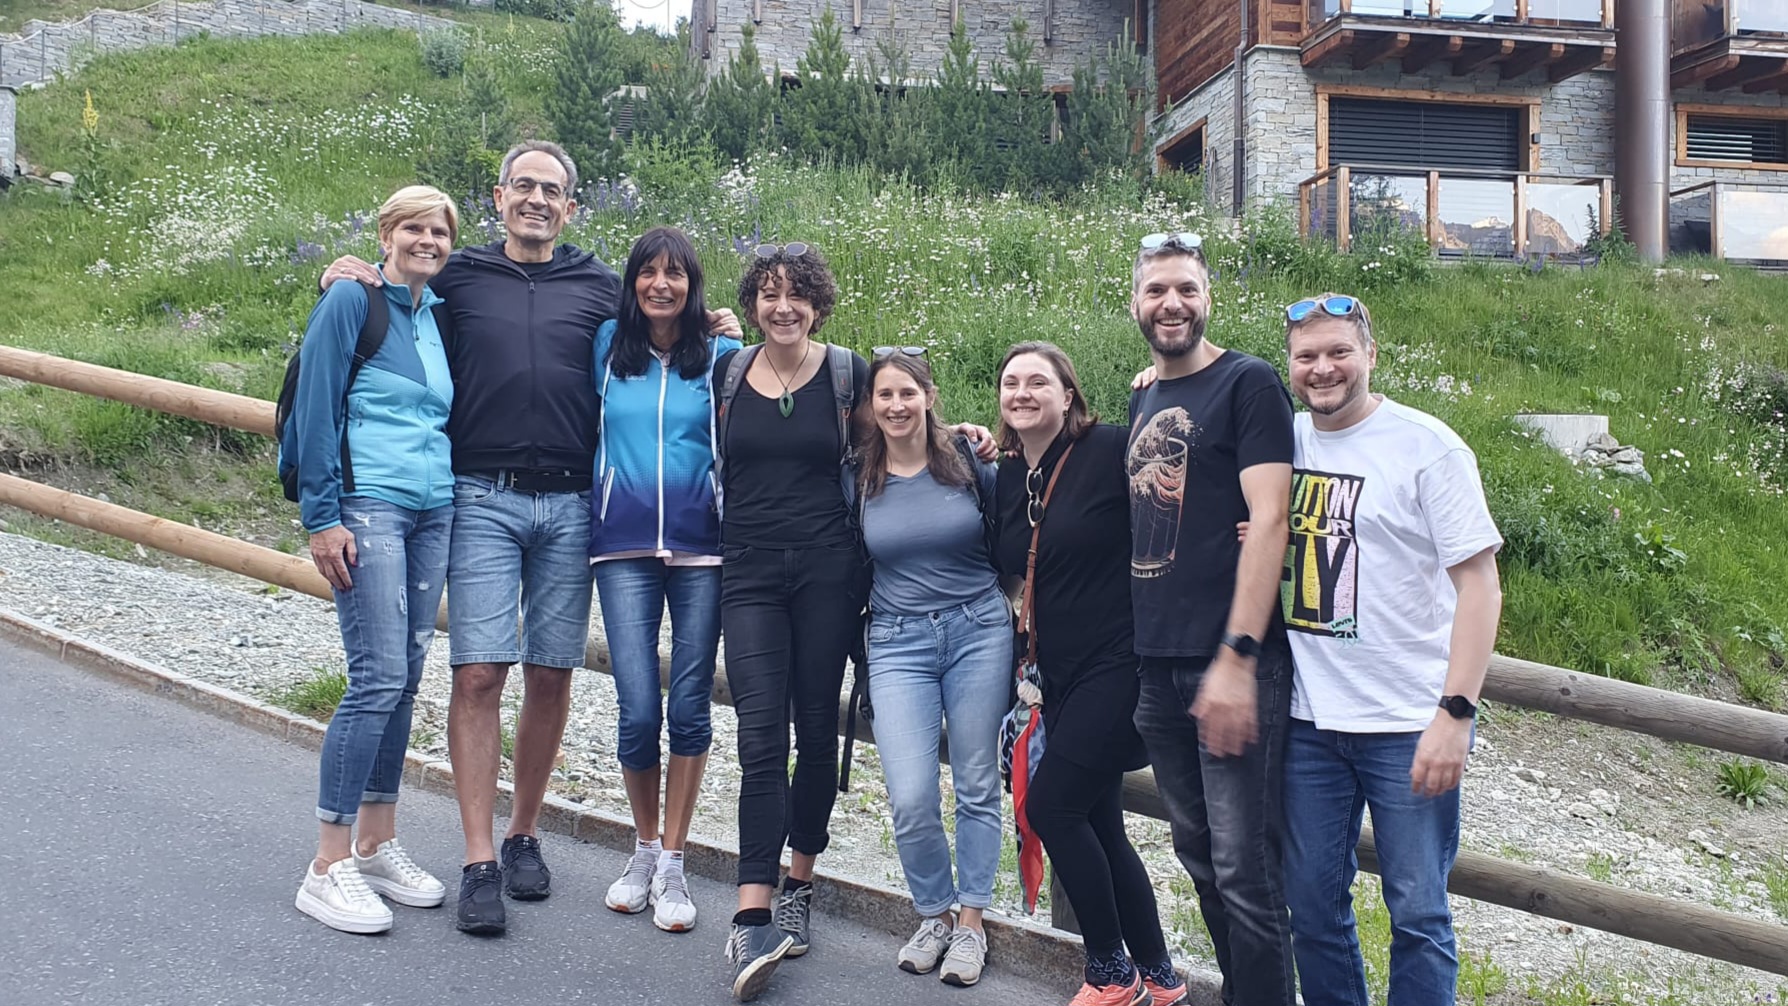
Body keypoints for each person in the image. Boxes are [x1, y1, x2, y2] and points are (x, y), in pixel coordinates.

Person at [319, 141, 740, 936]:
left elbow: (662, 323)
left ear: (571, 207)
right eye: (524, 186)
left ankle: (523, 834)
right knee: (479, 673)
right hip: (481, 495)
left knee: (551, 675)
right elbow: (399, 287)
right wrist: (345, 273)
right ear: (500, 195)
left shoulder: (600, 285)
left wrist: (715, 324)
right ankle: (478, 858)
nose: (537, 200)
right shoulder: (460, 274)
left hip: (574, 504)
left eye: (552, 190)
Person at [1274, 294, 1503, 1005]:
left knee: (1419, 912)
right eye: (1307, 356)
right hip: (1308, 721)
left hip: (1408, 722)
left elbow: (1481, 587)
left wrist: (1455, 714)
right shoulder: (1283, 439)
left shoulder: (1427, 446)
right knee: (1312, 909)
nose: (1323, 369)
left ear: (1371, 355)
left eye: (1339, 352)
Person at [1124, 233, 1298, 1006]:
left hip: (1230, 663)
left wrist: (1236, 658)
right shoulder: (1144, 395)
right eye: (1157, 290)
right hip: (1158, 665)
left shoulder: (1249, 384)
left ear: (1208, 299)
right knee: (1199, 859)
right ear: (1135, 303)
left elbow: (1271, 520)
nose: (1172, 304)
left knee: (1245, 872)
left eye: (1186, 289)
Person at [287, 185, 459, 934]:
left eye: (439, 231)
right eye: (413, 228)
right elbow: (316, 407)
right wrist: (321, 518)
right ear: (385, 234)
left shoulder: (438, 315)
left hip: (433, 507)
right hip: (367, 507)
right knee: (377, 677)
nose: (427, 241)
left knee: (407, 675)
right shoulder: (351, 301)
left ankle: (377, 842)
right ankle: (327, 865)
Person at [994, 342, 1186, 1006]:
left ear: (1068, 395)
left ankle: (1109, 971)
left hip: (1119, 663)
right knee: (1100, 821)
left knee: (1052, 805)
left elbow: (1177, 461)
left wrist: (1162, 385)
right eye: (1011, 383)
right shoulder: (1012, 474)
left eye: (1038, 382)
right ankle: (1159, 976)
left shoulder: (1108, 449)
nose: (1022, 393)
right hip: (1058, 674)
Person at [713, 242, 870, 1001]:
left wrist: (969, 440)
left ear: (817, 304)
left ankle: (799, 879)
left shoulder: (847, 374)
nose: (783, 307)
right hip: (746, 572)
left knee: (814, 728)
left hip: (827, 573)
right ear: (751, 304)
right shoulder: (727, 372)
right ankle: (752, 913)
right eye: (769, 293)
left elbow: (900, 439)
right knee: (758, 737)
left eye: (796, 294)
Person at [591, 226, 740, 935]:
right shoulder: (605, 346)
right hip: (620, 544)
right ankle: (644, 848)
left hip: (702, 547)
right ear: (632, 283)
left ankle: (675, 861)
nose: (660, 284)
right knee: (637, 710)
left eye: (674, 273)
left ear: (692, 285)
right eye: (648, 272)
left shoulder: (721, 354)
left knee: (689, 706)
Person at [856, 349, 1007, 987]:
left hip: (978, 630)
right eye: (884, 395)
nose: (896, 406)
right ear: (870, 405)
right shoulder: (856, 476)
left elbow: (1014, 525)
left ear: (929, 395)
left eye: (907, 393)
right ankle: (934, 913)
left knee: (976, 781)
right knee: (911, 793)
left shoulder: (969, 460)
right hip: (897, 642)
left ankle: (971, 921)